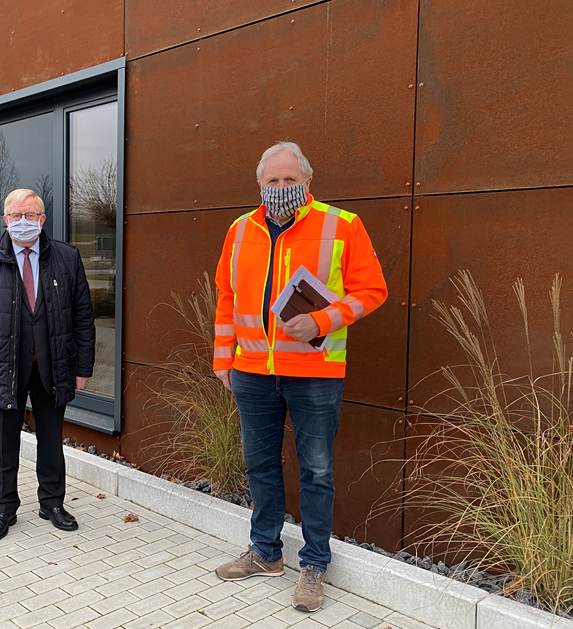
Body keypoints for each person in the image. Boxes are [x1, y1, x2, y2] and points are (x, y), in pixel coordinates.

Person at [212, 143, 388, 611]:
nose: (282, 188)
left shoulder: (342, 225)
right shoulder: (239, 230)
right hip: (252, 372)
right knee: (260, 467)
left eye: (290, 180)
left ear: (308, 182)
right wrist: (222, 360)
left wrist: (324, 319)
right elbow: (227, 298)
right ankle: (266, 553)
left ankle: (313, 566)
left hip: (315, 373)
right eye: (273, 181)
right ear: (260, 185)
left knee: (317, 471)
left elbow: (373, 289)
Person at [0, 188, 95, 541]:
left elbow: (83, 317)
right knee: (3, 443)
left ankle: (52, 503)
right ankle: (4, 509)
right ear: (5, 220)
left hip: (53, 367)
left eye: (30, 215)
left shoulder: (66, 257)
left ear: (42, 219)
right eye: (16, 216)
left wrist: (83, 368)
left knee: (51, 440)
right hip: (3, 368)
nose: (23, 222)